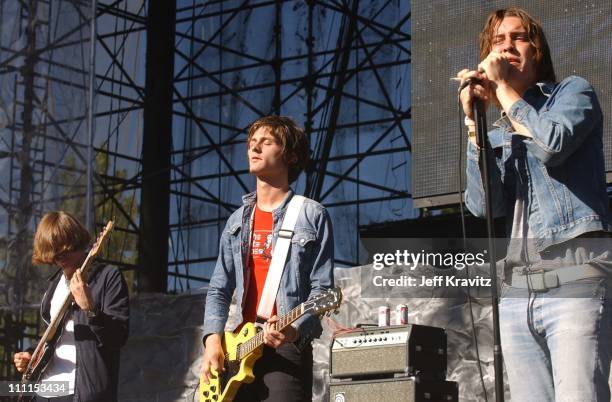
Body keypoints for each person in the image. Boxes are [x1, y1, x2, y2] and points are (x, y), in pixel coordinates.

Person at [459, 7, 611, 402]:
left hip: (574, 270)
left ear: (537, 49)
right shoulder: (497, 130)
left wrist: (506, 92)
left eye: (518, 37)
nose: (507, 46)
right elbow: (482, 205)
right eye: (497, 41)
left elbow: (553, 145)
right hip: (517, 288)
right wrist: (474, 126)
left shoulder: (572, 92)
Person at [200, 115, 334, 401]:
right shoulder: (237, 221)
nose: (254, 148)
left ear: (291, 155)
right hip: (237, 349)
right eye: (252, 143)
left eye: (266, 142)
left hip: (284, 350)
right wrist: (212, 340)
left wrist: (295, 332)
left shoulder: (312, 215)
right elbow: (219, 289)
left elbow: (322, 291)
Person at [13, 211, 130, 402]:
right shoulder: (53, 286)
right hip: (44, 392)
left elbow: (118, 337)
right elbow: (56, 337)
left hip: (82, 392)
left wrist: (90, 308)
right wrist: (31, 354)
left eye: (65, 248)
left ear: (76, 240)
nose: (60, 256)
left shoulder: (108, 277)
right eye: (54, 251)